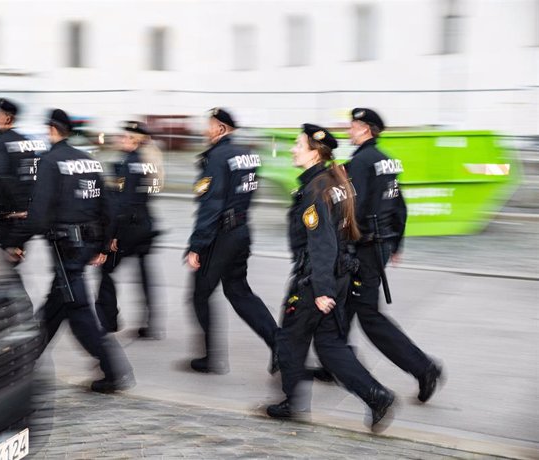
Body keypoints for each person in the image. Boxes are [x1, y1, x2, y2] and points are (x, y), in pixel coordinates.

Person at [265, 124, 395, 431]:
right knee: (329, 345)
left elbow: (321, 242)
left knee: (290, 338)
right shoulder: (335, 181)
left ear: (314, 152)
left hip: (316, 279)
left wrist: (321, 288)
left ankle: (292, 403)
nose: (293, 149)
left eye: (298, 145)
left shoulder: (315, 190)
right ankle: (376, 395)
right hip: (338, 274)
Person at [6, 108, 135, 393]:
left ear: (52, 130)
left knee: (79, 312)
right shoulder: (89, 161)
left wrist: (16, 242)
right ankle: (25, 362)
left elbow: (38, 215)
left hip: (66, 247)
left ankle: (114, 372)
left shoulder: (51, 162)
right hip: (86, 243)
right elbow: (108, 208)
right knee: (55, 307)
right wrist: (103, 245)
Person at [344, 107, 442, 403]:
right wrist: (396, 244)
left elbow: (354, 211)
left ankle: (424, 367)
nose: (348, 130)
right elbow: (399, 205)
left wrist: (343, 246)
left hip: (364, 248)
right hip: (381, 243)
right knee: (342, 307)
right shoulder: (386, 161)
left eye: (352, 126)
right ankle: (335, 360)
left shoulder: (360, 163)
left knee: (369, 316)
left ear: (364, 129)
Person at [185, 107, 278, 374]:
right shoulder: (247, 155)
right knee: (239, 292)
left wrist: (196, 245)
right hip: (241, 230)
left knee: (200, 294)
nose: (206, 130)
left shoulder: (217, 157)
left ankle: (211, 358)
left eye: (209, 125)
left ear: (221, 128)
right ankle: (280, 345)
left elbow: (211, 204)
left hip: (220, 236)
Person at [95, 121, 165, 339]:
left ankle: (109, 320)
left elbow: (121, 204)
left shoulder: (128, 162)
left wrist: (112, 236)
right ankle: (151, 322)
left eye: (125, 137)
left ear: (134, 140)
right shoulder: (149, 161)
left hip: (127, 227)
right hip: (145, 223)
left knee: (105, 269)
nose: (121, 140)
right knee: (144, 273)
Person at [0, 98, 42, 250]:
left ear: (8, 118)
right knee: (17, 253)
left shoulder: (0, 143)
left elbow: (2, 178)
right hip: (25, 211)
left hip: (9, 213)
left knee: (7, 256)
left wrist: (9, 210)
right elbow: (32, 176)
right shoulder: (26, 142)